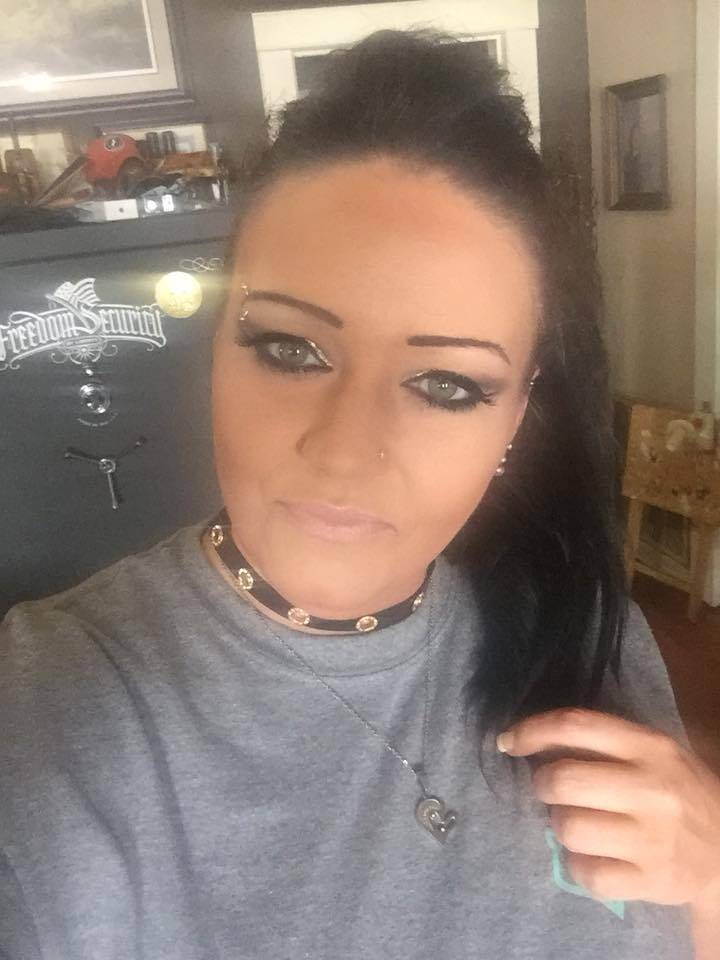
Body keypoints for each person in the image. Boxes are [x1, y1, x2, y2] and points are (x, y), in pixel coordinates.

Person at [1, 28, 719, 960]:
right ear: (218, 348)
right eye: (291, 350)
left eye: (446, 385)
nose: (344, 453)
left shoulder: (583, 624)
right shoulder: (54, 710)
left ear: (518, 413)